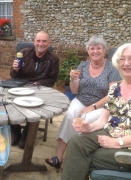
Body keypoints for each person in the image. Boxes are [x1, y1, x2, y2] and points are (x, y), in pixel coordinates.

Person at [61, 42, 131, 180]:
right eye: (122, 59)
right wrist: (88, 127)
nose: (126, 63)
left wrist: (117, 142)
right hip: (110, 133)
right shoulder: (115, 88)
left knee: (88, 157)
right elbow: (103, 120)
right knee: (75, 141)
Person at [45, 35, 122, 168]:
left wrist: (92, 106)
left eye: (98, 48)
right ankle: (59, 156)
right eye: (92, 48)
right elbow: (74, 91)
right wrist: (73, 79)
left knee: (84, 119)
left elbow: (112, 95)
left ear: (104, 50)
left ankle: (75, 155)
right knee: (69, 116)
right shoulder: (83, 65)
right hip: (81, 99)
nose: (95, 51)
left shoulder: (112, 69)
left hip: (102, 105)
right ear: (88, 51)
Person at [10, 30, 59, 149]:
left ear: (49, 43)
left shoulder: (53, 59)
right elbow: (13, 76)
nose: (41, 44)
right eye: (38, 40)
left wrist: (39, 83)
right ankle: (15, 132)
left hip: (40, 88)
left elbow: (52, 80)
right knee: (8, 103)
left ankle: (27, 133)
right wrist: (15, 69)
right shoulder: (24, 53)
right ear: (34, 42)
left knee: (36, 108)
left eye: (44, 41)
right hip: (22, 86)